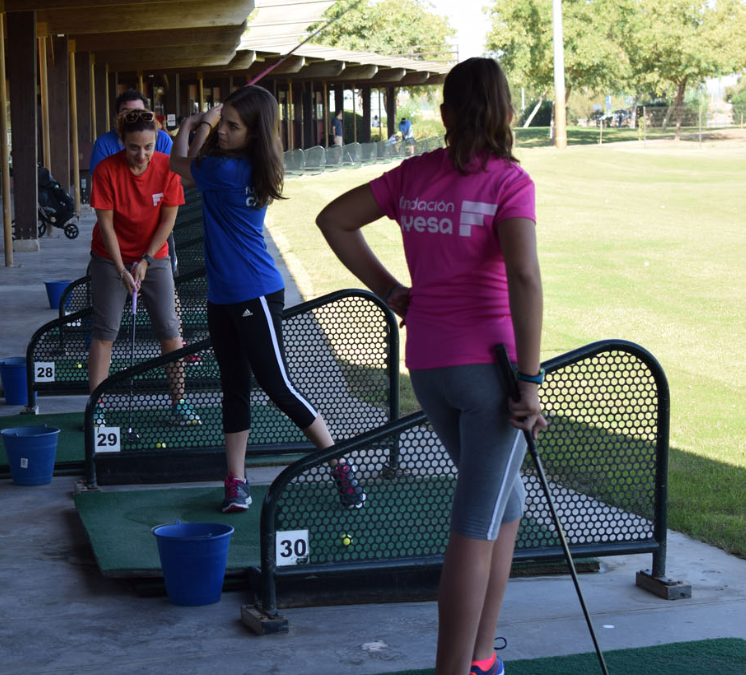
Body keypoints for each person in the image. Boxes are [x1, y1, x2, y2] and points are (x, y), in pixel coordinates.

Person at [316, 57, 546, 675]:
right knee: (475, 525)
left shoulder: (414, 174)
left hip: (432, 368)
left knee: (507, 505)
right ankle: (456, 670)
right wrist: (530, 379)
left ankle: (481, 656)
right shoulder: (509, 182)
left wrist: (393, 291)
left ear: (444, 115)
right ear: (503, 113)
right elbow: (523, 275)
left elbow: (333, 220)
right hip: (491, 373)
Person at [169, 86, 365, 514]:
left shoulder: (226, 171)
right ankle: (236, 482)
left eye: (233, 127)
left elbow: (178, 163)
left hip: (254, 294)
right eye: (225, 123)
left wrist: (194, 124)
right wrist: (210, 127)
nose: (224, 131)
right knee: (234, 389)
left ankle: (340, 464)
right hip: (224, 297)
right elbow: (196, 161)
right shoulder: (247, 163)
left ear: (254, 134)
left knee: (277, 386)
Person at [88, 109, 201, 429]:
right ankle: (97, 406)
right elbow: (106, 227)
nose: (142, 155)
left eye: (149, 147)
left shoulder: (166, 168)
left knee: (169, 327)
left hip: (155, 257)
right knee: (105, 330)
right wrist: (123, 269)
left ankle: (179, 403)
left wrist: (147, 260)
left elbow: (168, 220)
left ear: (157, 143)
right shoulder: (106, 171)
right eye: (134, 147)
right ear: (122, 142)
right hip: (110, 258)